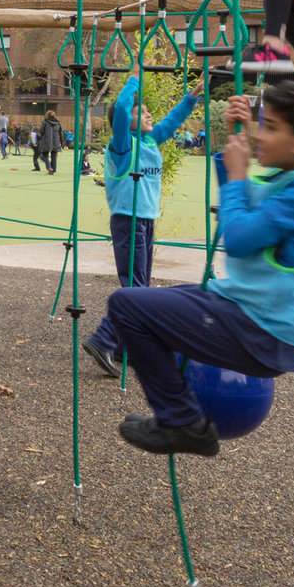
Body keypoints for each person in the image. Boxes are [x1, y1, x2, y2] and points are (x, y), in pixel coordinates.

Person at [102, 81, 294, 456]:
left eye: (270, 127)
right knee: (151, 300)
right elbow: (258, 208)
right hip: (261, 318)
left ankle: (180, 420)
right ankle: (177, 409)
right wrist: (233, 155)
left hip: (260, 330)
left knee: (127, 305)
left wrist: (237, 176)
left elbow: (238, 237)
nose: (259, 134)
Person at [80, 82, 203, 378]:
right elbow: (121, 109)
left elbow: (171, 122)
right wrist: (133, 79)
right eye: (143, 111)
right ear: (127, 120)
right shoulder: (122, 145)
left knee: (142, 288)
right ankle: (102, 340)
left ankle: (125, 345)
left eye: (148, 111)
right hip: (128, 219)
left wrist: (191, 98)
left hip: (145, 219)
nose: (149, 115)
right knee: (135, 288)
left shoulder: (149, 142)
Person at [34, 111, 63, 175]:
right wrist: (62, 142)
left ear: (47, 115)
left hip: (47, 141)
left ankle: (49, 167)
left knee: (44, 155)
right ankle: (53, 169)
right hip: (56, 141)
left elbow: (41, 131)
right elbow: (61, 133)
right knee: (54, 155)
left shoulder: (45, 122)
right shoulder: (58, 123)